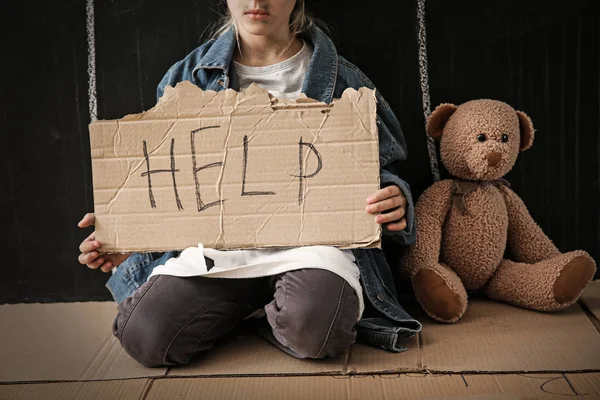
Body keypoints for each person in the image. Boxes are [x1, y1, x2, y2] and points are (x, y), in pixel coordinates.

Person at [77, 0, 422, 367]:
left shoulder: (345, 81)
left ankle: (272, 315)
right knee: (145, 336)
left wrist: (395, 197)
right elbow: (169, 183)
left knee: (317, 332)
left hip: (314, 251)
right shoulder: (188, 77)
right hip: (218, 253)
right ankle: (254, 309)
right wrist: (129, 238)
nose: (257, 2)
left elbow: (383, 169)